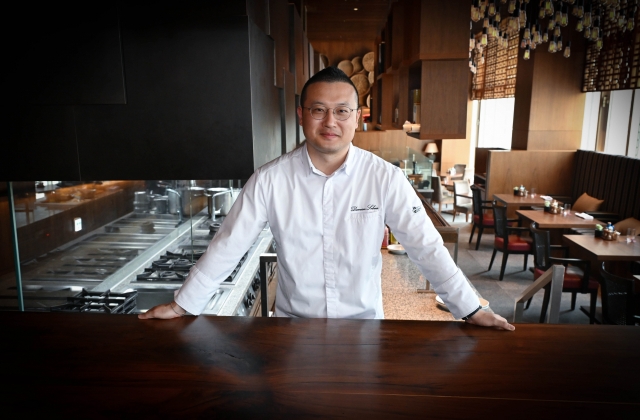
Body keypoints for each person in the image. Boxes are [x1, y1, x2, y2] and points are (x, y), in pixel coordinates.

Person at [140, 67, 514, 331]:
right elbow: (228, 244)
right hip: (291, 329)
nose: (329, 121)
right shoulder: (270, 180)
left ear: (357, 118)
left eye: (341, 111)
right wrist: (183, 303)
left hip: (365, 330)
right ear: (302, 115)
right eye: (318, 110)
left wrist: (469, 308)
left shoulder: (385, 177)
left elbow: (426, 246)